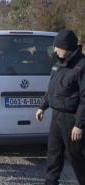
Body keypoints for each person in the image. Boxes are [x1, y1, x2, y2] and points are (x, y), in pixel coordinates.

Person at [36, 29, 85, 185]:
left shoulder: (82, 66)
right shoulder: (58, 63)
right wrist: (42, 106)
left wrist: (79, 125)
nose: (55, 50)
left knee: (76, 156)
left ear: (67, 47)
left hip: (72, 119)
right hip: (56, 117)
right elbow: (51, 89)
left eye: (58, 47)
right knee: (53, 153)